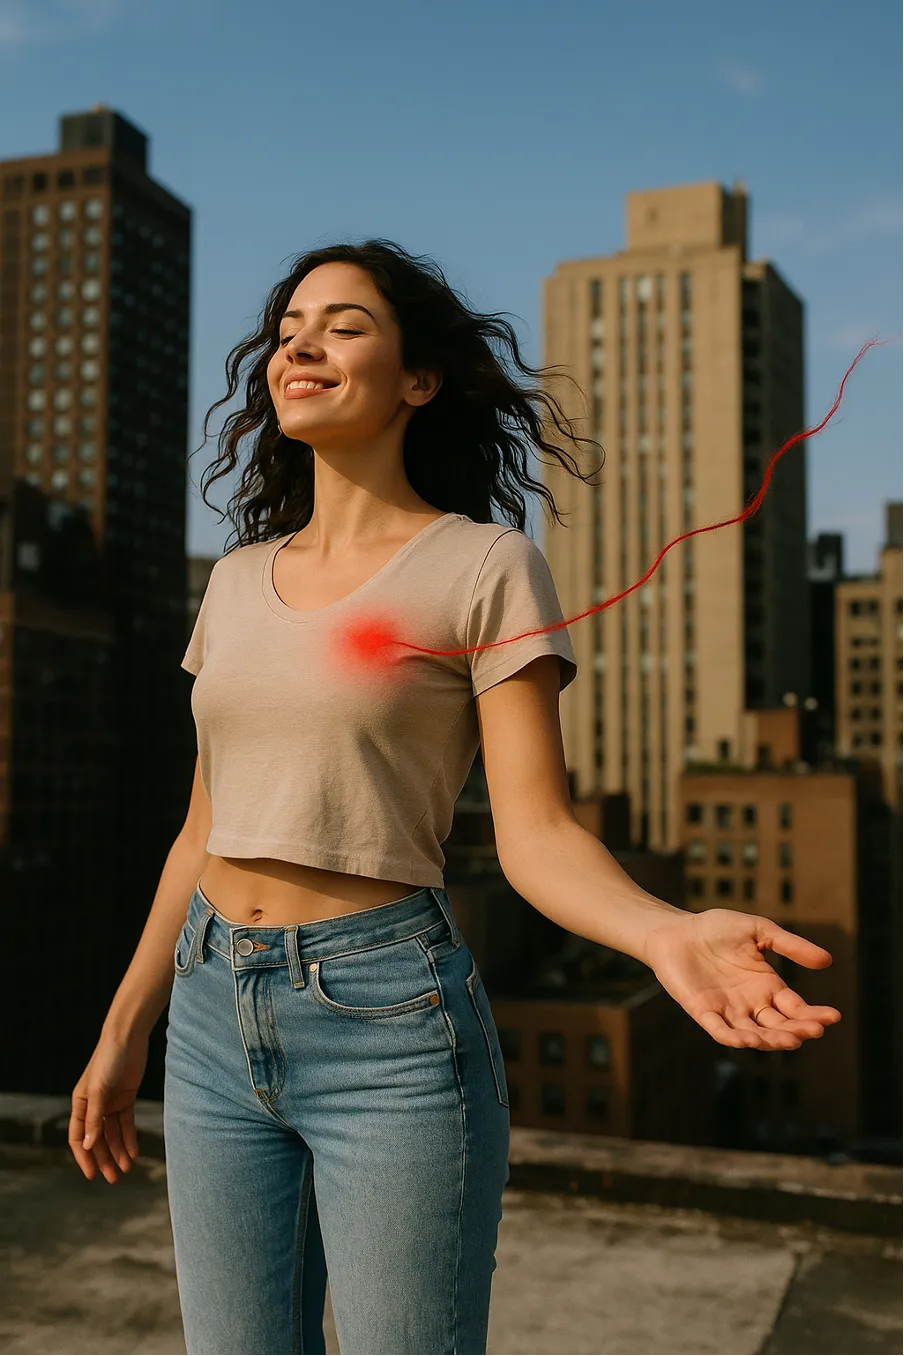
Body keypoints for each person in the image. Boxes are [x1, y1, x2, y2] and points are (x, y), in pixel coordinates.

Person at [68, 240, 841, 1356]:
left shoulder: (483, 566)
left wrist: (664, 933)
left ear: (418, 379)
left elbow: (536, 833)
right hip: (206, 1015)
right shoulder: (234, 584)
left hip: (385, 1022)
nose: (301, 341)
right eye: (289, 326)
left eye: (343, 324)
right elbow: (203, 829)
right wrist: (123, 1028)